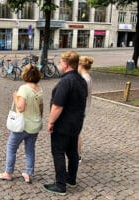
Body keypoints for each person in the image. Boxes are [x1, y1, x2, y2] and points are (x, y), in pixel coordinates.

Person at [42, 51, 87, 195]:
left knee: (58, 152)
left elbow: (57, 106)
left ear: (67, 64)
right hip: (76, 124)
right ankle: (71, 179)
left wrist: (50, 122)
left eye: (61, 62)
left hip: (63, 125)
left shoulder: (66, 81)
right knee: (72, 152)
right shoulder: (81, 80)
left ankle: (60, 185)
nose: (59, 64)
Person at [0, 64, 44, 183]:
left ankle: (8, 172)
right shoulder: (39, 89)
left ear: (25, 75)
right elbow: (41, 108)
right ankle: (28, 173)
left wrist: (15, 98)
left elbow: (21, 108)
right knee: (30, 149)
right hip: (35, 125)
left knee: (11, 147)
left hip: (22, 126)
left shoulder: (24, 88)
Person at [77, 56, 94, 162]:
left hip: (80, 110)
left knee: (76, 134)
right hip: (83, 109)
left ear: (80, 65)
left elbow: (81, 96)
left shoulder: (84, 79)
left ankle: (77, 155)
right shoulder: (87, 77)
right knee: (76, 133)